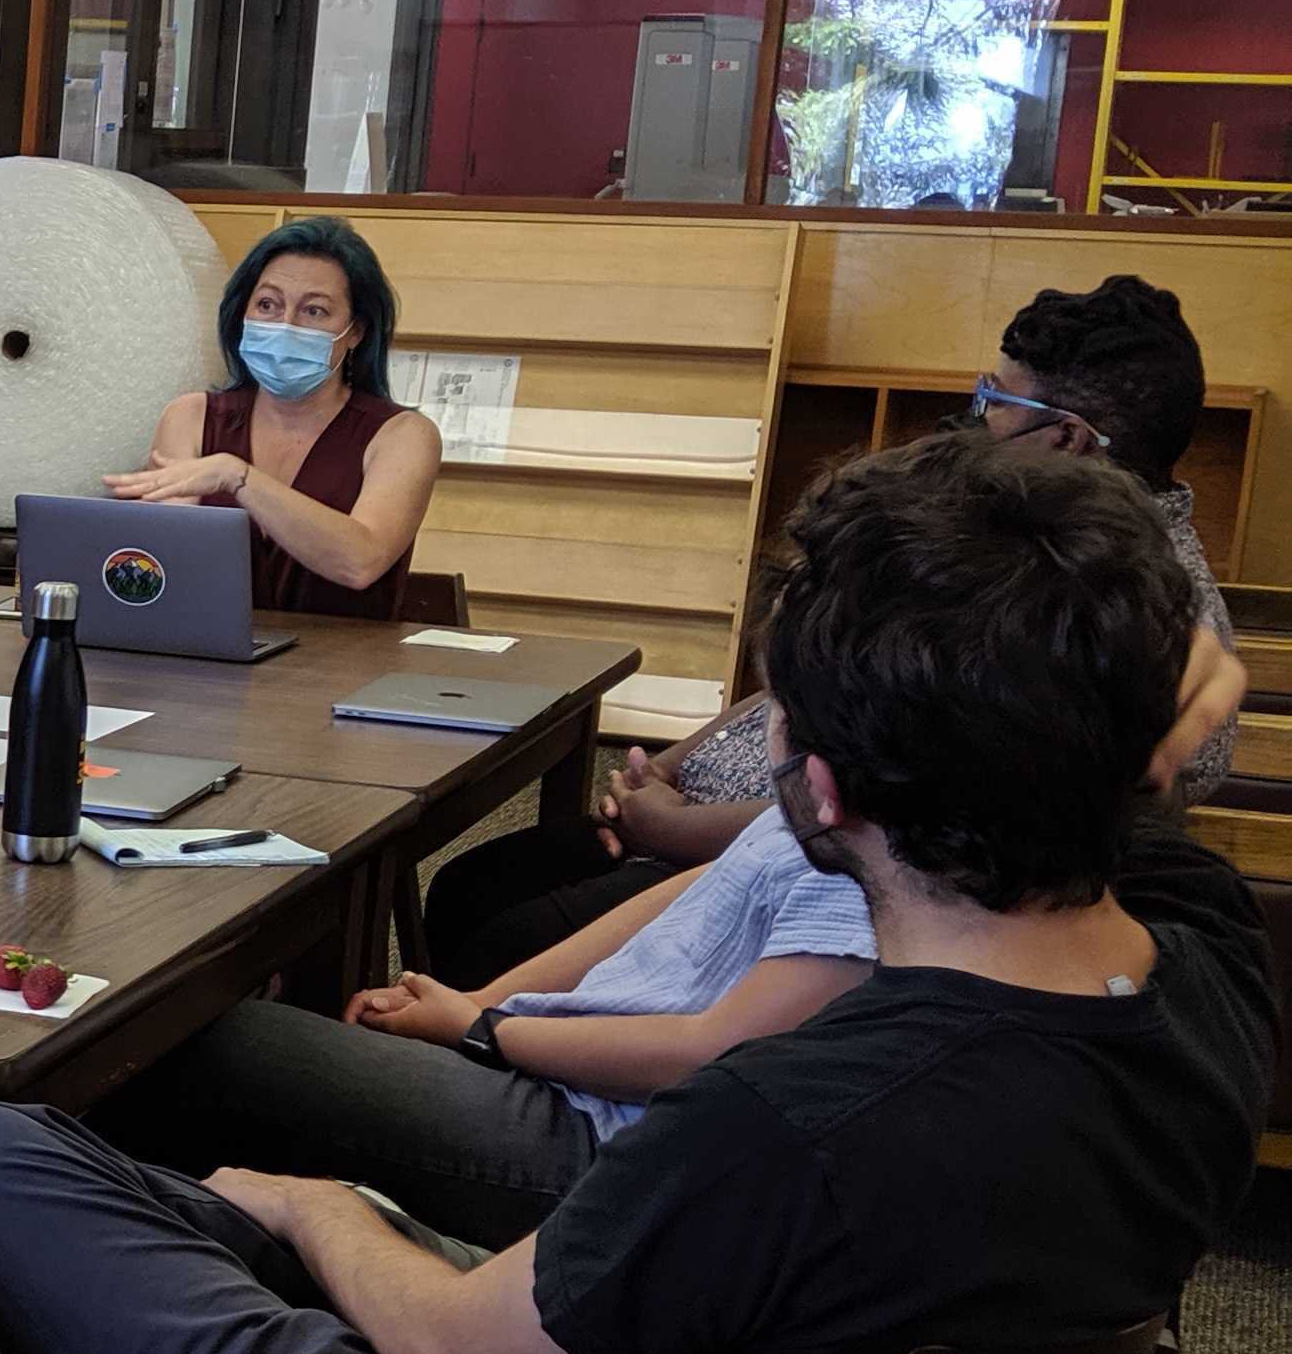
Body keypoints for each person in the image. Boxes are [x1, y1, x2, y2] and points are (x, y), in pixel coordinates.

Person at [0, 433, 1261, 1354]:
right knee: (166, 1224)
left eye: (783, 726)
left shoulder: (792, 1116)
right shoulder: (1207, 992)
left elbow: (447, 1352)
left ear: (834, 795)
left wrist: (322, 1211)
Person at [424, 273, 1238, 986]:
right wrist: (671, 764)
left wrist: (678, 831)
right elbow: (812, 669)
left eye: (997, 403)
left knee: (503, 937)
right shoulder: (1009, 539)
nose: (975, 419)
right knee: (476, 884)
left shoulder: (1084, 600)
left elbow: (903, 817)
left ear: (1065, 439)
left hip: (797, 875)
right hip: (717, 824)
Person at [118, 805, 877, 1251]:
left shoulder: (872, 859)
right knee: (194, 1051)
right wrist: (484, 999)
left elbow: (706, 1058)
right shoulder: (826, 796)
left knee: (196, 1048)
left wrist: (483, 1032)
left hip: (609, 1143)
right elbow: (695, 888)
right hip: (565, 1073)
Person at [102, 214, 440, 618]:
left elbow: (360, 561)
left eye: (314, 311)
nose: (285, 325)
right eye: (267, 305)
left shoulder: (401, 436)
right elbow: (162, 562)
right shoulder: (191, 416)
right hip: (204, 660)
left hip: (346, 672)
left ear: (355, 331)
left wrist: (237, 476)